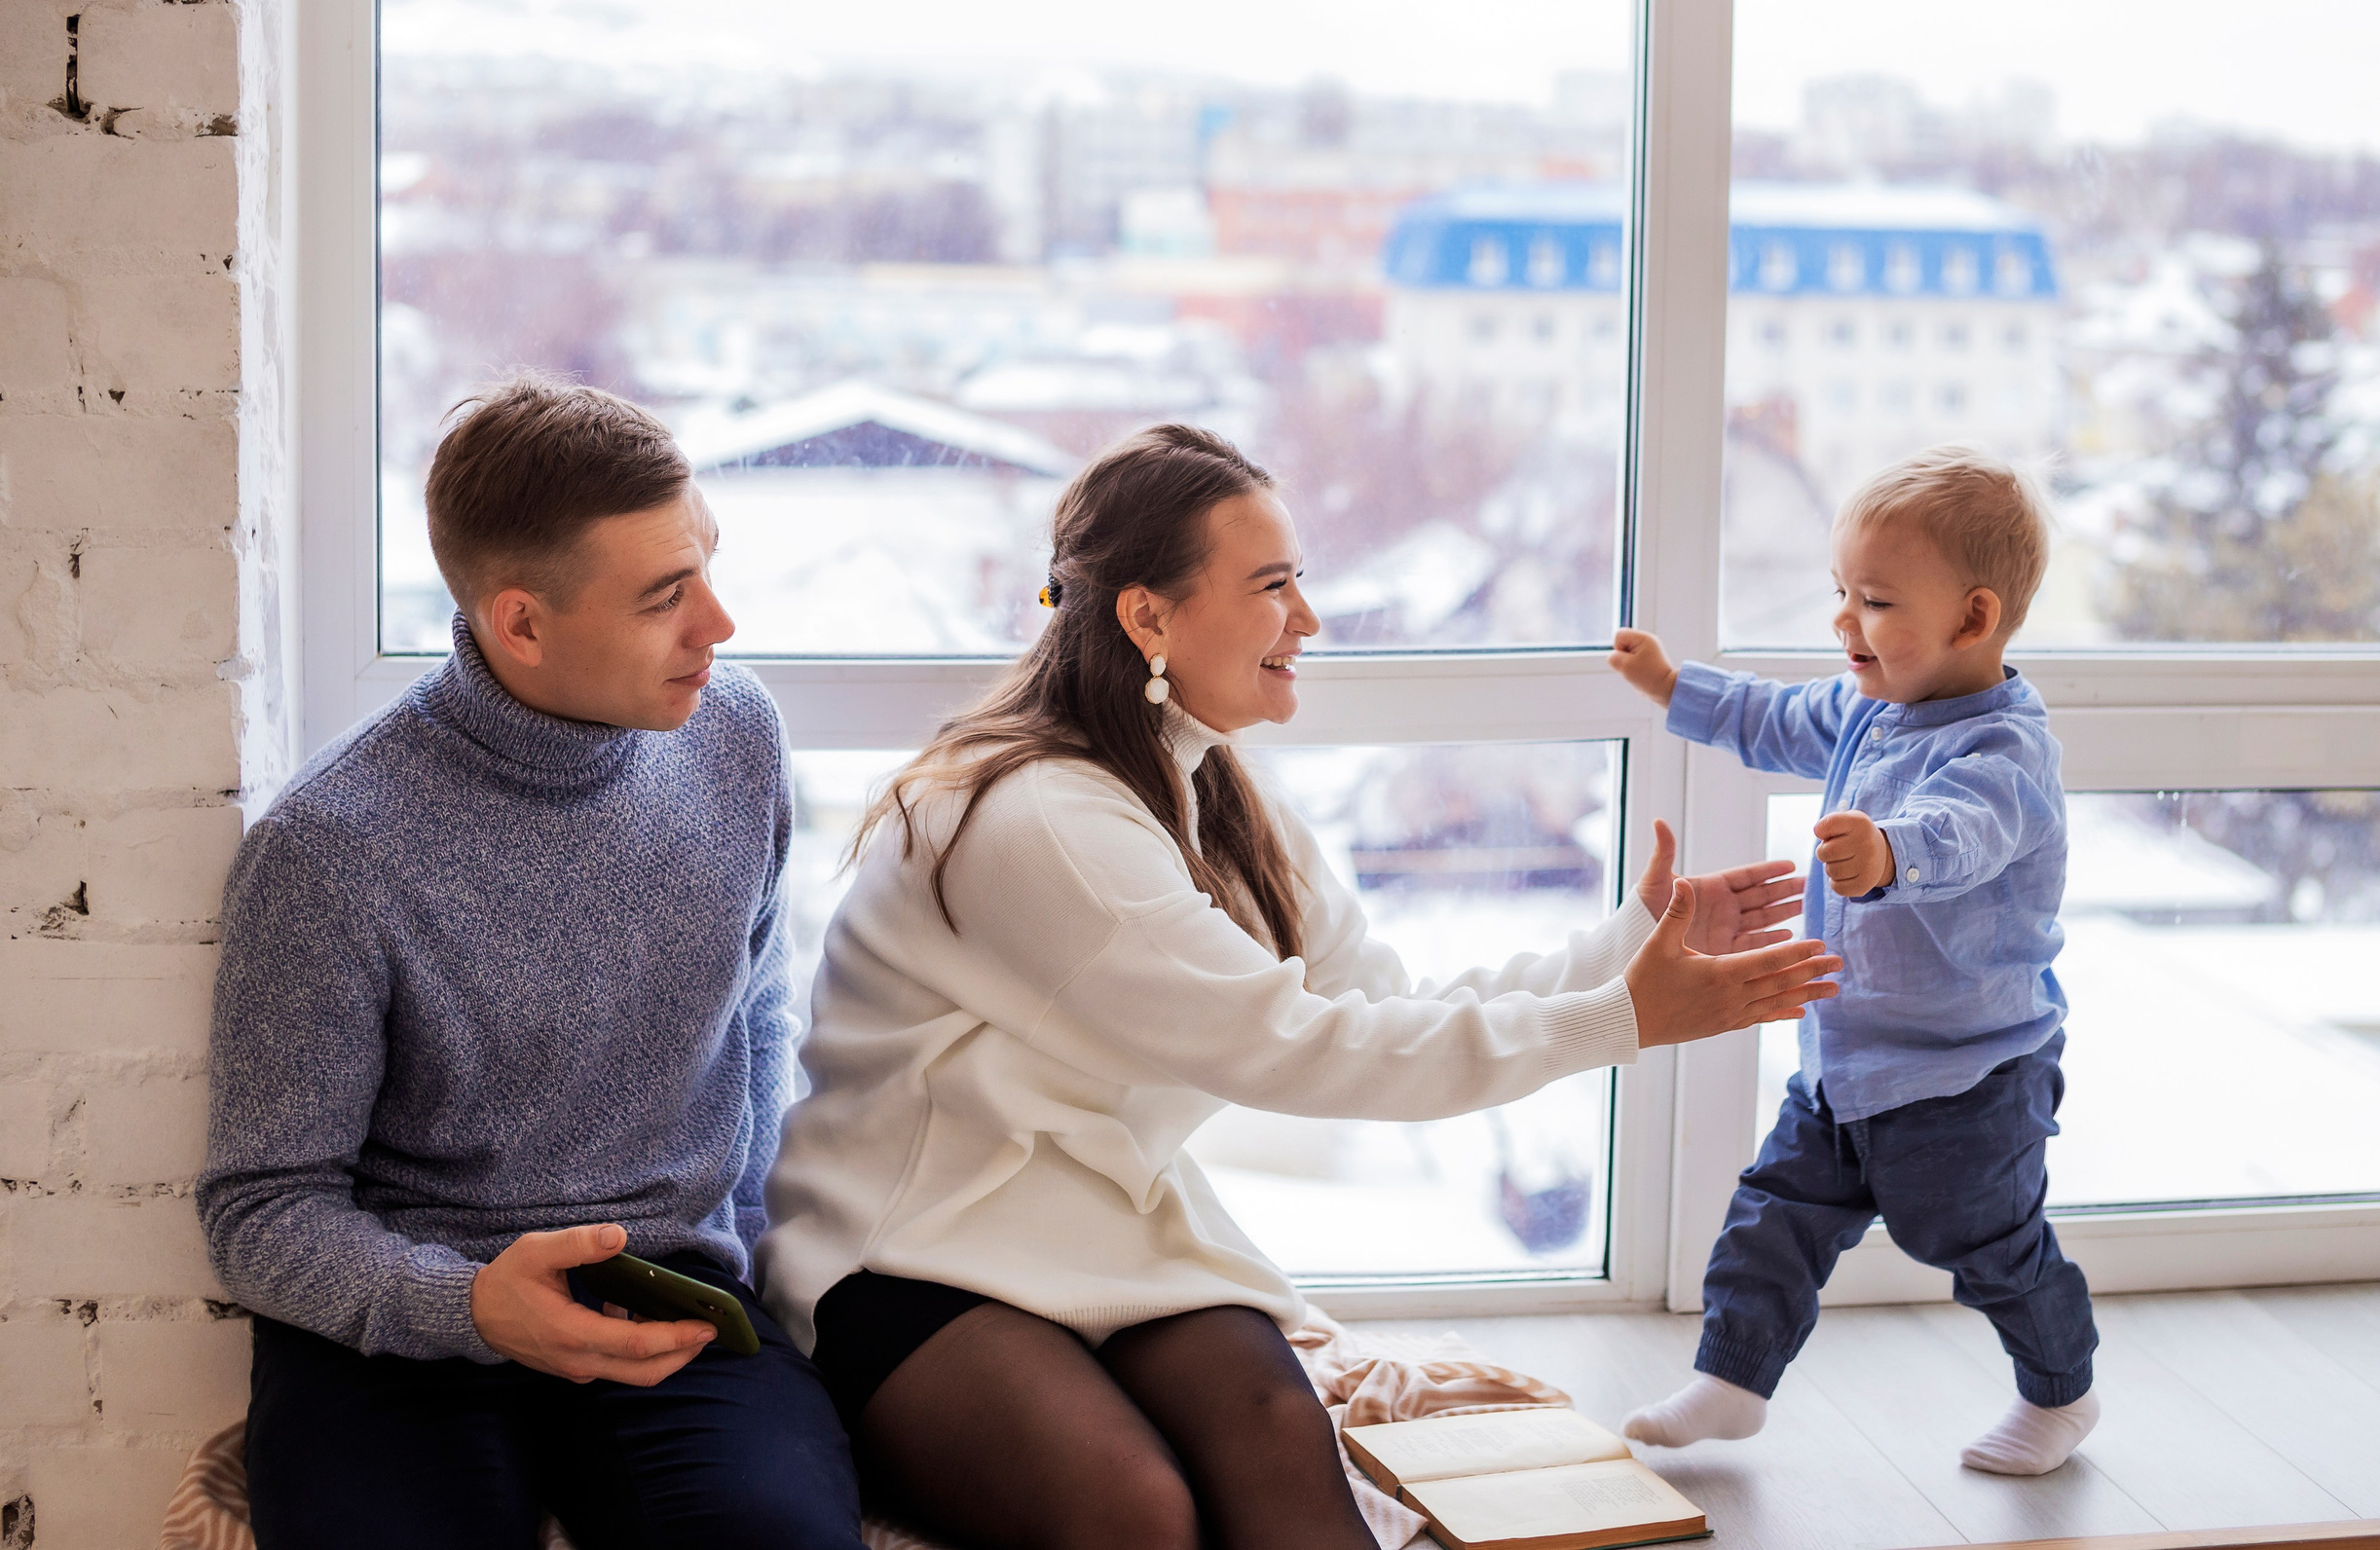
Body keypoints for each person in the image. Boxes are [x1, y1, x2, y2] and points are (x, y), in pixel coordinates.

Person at [758, 424, 1843, 1550]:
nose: (1308, 621)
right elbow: (1304, 1049)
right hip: (912, 1251)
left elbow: (1381, 1003)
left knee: (1282, 1443)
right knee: (1129, 1511)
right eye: (1272, 586)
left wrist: (1630, 949)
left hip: (1101, 1225)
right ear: (1148, 616)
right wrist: (1623, 1018)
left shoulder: (1213, 785)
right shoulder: (1040, 821)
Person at [197, 377, 866, 1550]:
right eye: (666, 596)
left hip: (670, 1292)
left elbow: (753, 1014)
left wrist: (746, 1227)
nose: (718, 622)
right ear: (521, 623)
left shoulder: (737, 738)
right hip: (399, 1327)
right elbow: (261, 1211)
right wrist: (464, 1306)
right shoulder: (329, 849)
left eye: (706, 564)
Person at [1609, 444, 2098, 1476]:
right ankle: (1730, 1384)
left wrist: (1884, 855)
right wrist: (1671, 686)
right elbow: (1773, 716)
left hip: (1966, 1075)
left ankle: (2061, 1394)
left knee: (1989, 1253)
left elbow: (1958, 832)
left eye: (1873, 601)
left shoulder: (2002, 753)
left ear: (1972, 619)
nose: (1842, 622)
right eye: (1841, 591)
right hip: (1843, 1062)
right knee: (1770, 1221)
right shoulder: (1870, 705)